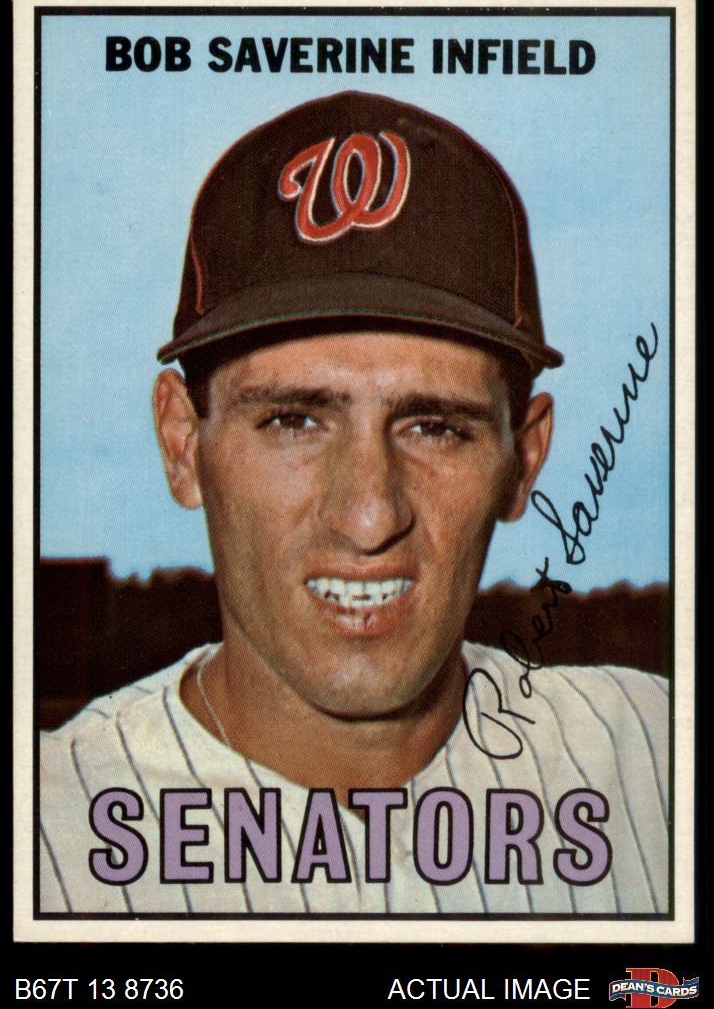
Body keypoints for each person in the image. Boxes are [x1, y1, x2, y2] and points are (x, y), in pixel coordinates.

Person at [40, 91, 668, 915]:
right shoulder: (45, 832)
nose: (370, 517)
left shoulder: (657, 762)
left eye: (435, 428)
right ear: (182, 443)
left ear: (524, 461)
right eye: (293, 420)